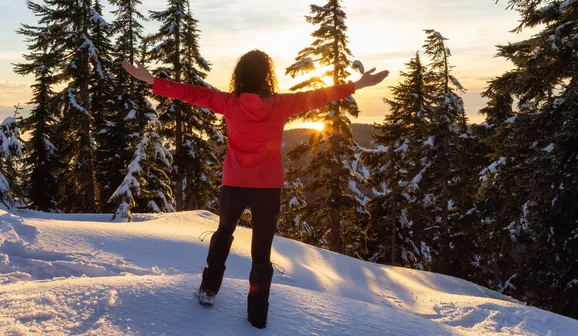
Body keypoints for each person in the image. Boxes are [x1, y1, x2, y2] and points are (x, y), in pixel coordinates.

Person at [121, 50, 389, 328]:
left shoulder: (229, 103)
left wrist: (150, 79)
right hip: (268, 188)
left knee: (224, 233)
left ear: (240, 75)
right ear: (266, 76)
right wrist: (357, 85)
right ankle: (257, 314)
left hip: (235, 184)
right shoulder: (280, 105)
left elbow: (189, 93)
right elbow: (320, 94)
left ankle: (209, 289)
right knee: (261, 254)